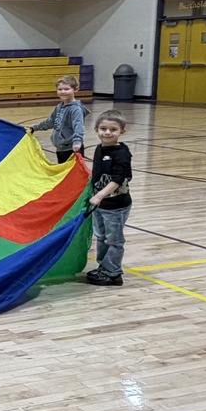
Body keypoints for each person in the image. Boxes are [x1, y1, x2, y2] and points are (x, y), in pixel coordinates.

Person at [86, 110, 133, 286]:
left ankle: (113, 273)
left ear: (122, 132)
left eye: (113, 129)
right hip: (101, 204)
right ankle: (103, 267)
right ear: (96, 129)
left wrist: (99, 195)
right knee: (102, 236)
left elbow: (118, 179)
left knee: (114, 240)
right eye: (103, 128)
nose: (107, 132)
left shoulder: (121, 153)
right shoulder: (100, 149)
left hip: (115, 205)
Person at [27, 74, 90, 163]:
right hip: (60, 149)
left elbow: (78, 126)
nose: (63, 92)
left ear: (75, 89)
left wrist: (77, 142)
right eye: (60, 89)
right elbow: (50, 122)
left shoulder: (76, 109)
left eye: (66, 89)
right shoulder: (59, 107)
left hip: (72, 149)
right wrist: (35, 127)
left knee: (73, 175)